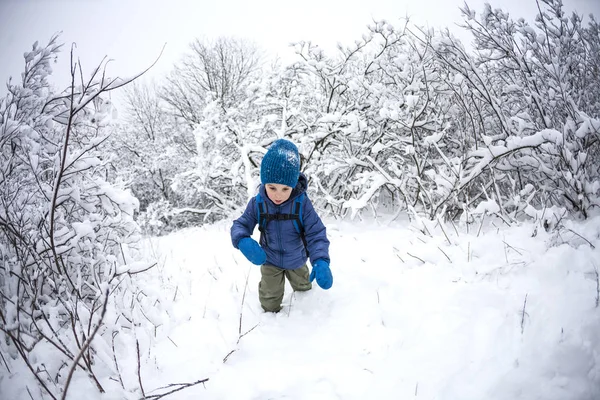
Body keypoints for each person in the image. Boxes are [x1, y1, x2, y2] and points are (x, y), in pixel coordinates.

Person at [231, 139, 332, 313]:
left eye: (285, 189)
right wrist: (241, 239)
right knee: (269, 302)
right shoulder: (258, 204)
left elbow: (316, 233)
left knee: (304, 290)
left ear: (293, 185)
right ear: (264, 183)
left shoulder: (302, 204)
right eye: (272, 187)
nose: (278, 195)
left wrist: (321, 261)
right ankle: (271, 325)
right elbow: (240, 224)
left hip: (297, 259)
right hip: (269, 260)